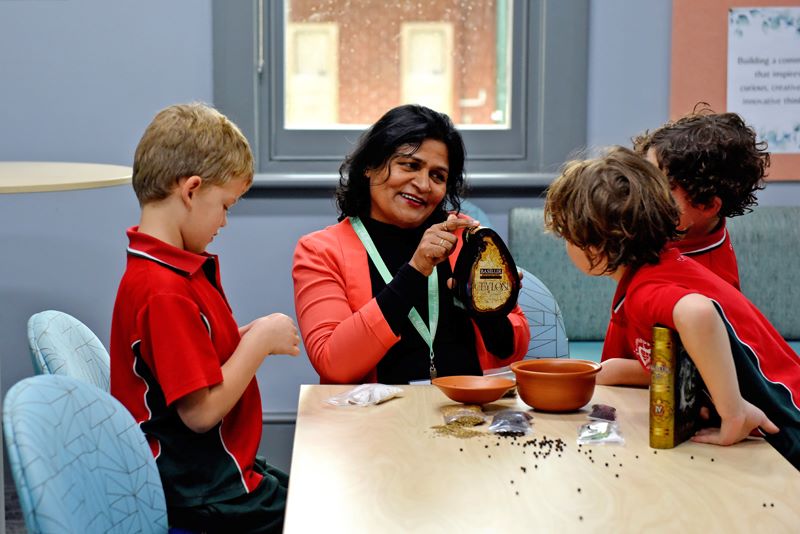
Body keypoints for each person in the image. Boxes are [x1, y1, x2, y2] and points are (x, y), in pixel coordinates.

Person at [544, 146, 799, 469]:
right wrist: (599, 372)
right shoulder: (655, 271)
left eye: (568, 235)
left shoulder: (647, 289)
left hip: (786, 429)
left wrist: (734, 412)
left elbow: (697, 313)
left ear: (596, 245)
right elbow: (670, 361)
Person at [110, 103, 301, 532]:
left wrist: (247, 334)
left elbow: (196, 351)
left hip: (212, 475)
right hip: (201, 489)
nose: (224, 222)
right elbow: (200, 412)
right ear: (192, 190)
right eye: (226, 205)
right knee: (327, 512)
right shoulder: (163, 291)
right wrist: (258, 343)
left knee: (314, 490)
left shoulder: (170, 270)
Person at [292, 104, 530, 385]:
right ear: (370, 165)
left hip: (468, 412)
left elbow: (510, 351)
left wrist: (487, 306)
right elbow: (334, 364)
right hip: (375, 421)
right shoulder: (320, 251)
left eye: (438, 176)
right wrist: (416, 270)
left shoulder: (466, 237)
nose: (424, 184)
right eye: (410, 165)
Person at [600, 108, 770, 368]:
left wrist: (612, 371)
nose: (644, 193)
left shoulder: (710, 281)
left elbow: (699, 370)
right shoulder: (667, 230)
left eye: (663, 187)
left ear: (706, 206)